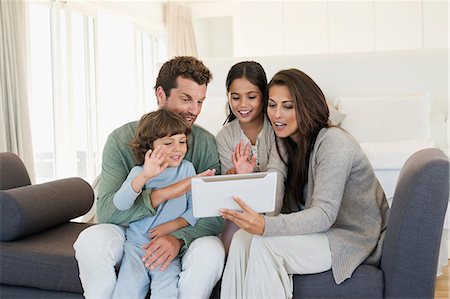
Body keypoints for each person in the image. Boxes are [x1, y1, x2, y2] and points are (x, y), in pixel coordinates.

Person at [219, 68, 390, 298]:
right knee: (242, 239)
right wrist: (249, 184)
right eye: (272, 105)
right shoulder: (283, 143)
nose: (277, 115)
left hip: (346, 236)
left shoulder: (334, 143)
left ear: (306, 106)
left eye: (288, 106)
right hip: (313, 233)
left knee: (265, 245)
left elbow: (323, 215)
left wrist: (266, 227)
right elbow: (274, 201)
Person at [74, 56, 225, 299]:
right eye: (186, 99)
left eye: (200, 101)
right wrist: (161, 194)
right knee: (90, 241)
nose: (194, 110)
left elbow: (213, 215)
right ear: (161, 95)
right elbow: (108, 212)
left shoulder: (204, 142)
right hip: (129, 234)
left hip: (182, 232)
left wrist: (177, 238)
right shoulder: (120, 140)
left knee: (211, 253)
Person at [112, 109, 205, 298]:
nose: (178, 149)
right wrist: (145, 175)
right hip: (136, 248)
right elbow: (120, 203)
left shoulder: (187, 169)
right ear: (150, 147)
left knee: (167, 292)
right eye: (168, 143)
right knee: (127, 292)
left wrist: (172, 226)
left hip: (165, 251)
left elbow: (195, 210)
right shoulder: (141, 172)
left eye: (182, 142)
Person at [215, 61, 286, 254]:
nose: (243, 105)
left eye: (252, 97)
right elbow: (227, 190)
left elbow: (277, 183)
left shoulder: (276, 129)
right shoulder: (225, 136)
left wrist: (267, 226)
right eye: (235, 97)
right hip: (240, 208)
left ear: (264, 96)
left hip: (276, 211)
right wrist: (238, 174)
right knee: (231, 243)